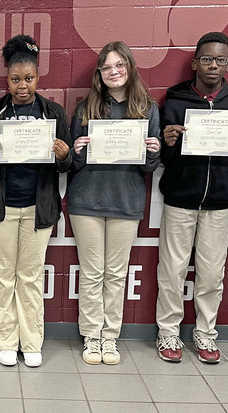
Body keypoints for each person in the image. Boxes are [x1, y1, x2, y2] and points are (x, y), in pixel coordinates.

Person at [154, 32, 228, 364]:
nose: (212, 65)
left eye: (219, 60)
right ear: (194, 63)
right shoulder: (173, 102)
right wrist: (168, 142)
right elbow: (165, 159)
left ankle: (205, 332)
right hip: (179, 199)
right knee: (171, 271)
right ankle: (168, 332)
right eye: (206, 59)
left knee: (212, 273)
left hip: (218, 202)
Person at [0, 35, 72, 368]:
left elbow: (67, 164)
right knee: (3, 274)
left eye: (28, 79)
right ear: (7, 79)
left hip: (38, 207)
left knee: (30, 276)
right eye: (15, 80)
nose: (22, 86)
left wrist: (63, 154)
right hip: (0, 208)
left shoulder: (54, 112)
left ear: (37, 78)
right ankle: (5, 340)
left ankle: (31, 341)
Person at [68, 41, 161, 366]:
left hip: (126, 201)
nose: (114, 72)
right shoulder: (85, 109)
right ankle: (92, 338)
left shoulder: (148, 109)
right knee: (92, 273)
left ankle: (111, 338)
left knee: (116, 274)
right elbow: (71, 166)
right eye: (107, 67)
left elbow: (149, 168)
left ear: (130, 68)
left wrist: (153, 151)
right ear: (99, 73)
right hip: (86, 201)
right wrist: (76, 151)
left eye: (119, 65)